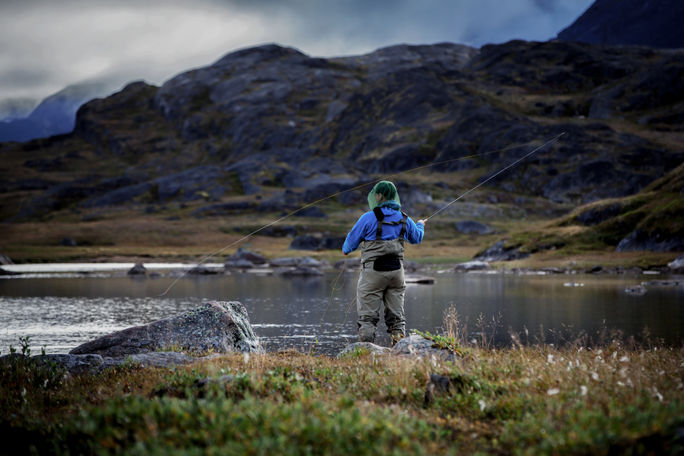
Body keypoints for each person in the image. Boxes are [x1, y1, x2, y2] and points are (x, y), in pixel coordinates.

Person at [342, 181, 425, 345]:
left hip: (372, 274)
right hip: (397, 273)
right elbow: (416, 238)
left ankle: (366, 354)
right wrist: (420, 225)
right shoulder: (404, 218)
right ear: (394, 196)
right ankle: (400, 353)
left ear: (378, 196)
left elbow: (347, 247)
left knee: (367, 318)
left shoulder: (368, 218)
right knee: (397, 318)